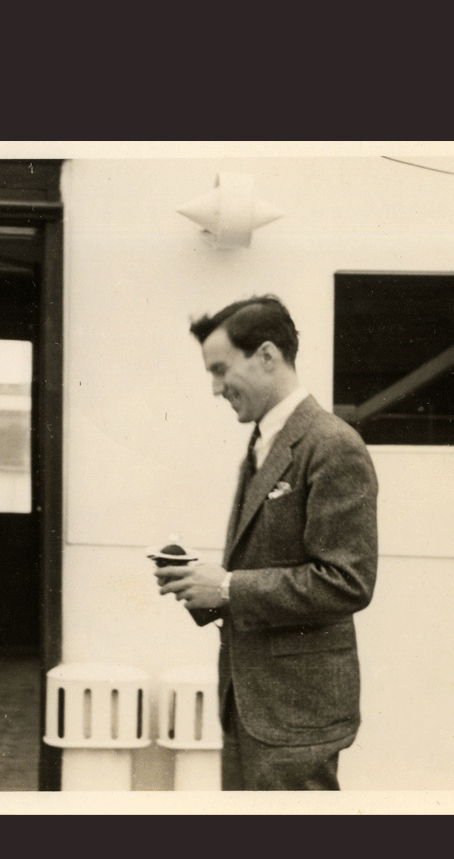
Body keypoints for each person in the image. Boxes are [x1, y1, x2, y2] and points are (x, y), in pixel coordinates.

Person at [155, 296, 378, 790]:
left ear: (268, 356)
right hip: (251, 706)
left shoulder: (332, 445)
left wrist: (230, 587)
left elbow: (348, 582)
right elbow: (266, 567)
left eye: (220, 370)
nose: (215, 389)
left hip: (294, 718)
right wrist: (200, 586)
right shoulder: (266, 440)